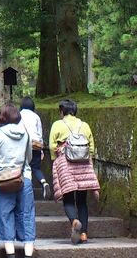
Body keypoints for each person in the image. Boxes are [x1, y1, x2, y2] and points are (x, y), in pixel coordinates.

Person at [0, 103, 35, 258]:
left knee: (4, 213)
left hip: (4, 180)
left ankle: (10, 253)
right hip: (23, 178)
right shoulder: (26, 134)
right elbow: (29, 158)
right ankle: (28, 251)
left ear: (2, 117)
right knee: (26, 213)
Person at [49, 99, 100, 245]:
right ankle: (83, 233)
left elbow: (53, 146)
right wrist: (88, 160)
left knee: (68, 199)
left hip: (66, 164)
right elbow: (91, 147)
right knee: (82, 201)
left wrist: (56, 160)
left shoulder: (58, 125)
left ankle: (74, 221)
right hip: (83, 165)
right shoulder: (84, 125)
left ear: (62, 111)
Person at [19, 96, 51, 199]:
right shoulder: (36, 116)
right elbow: (39, 134)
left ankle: (26, 191)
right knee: (35, 168)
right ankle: (44, 182)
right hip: (35, 145)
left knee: (23, 168)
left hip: (22, 145)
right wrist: (41, 150)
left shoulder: (18, 115)